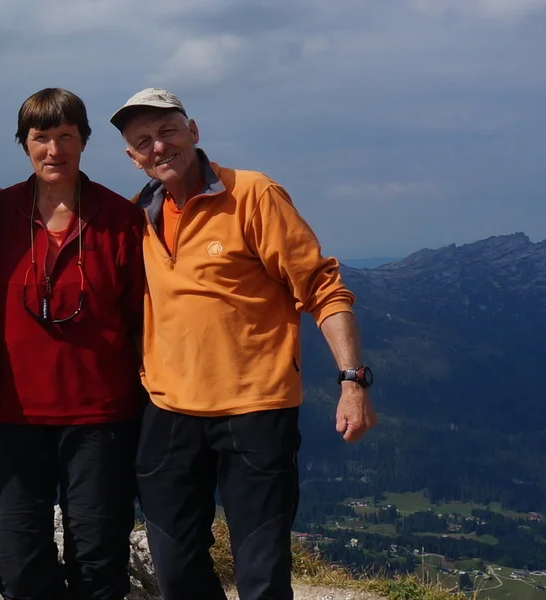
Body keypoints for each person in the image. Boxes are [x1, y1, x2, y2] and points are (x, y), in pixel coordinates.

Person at [110, 88, 377, 600]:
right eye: (143, 141)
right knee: (175, 567)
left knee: (261, 572)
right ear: (132, 157)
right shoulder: (134, 216)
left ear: (193, 131)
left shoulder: (253, 194)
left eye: (167, 131)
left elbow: (322, 288)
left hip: (255, 410)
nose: (158, 147)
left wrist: (352, 382)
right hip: (167, 410)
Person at [0, 88, 147, 600]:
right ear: (24, 144)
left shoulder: (121, 219)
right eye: (41, 138)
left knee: (99, 558)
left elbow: (144, 318)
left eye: (66, 136)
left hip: (101, 418)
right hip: (13, 418)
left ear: (84, 141)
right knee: (18, 561)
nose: (54, 150)